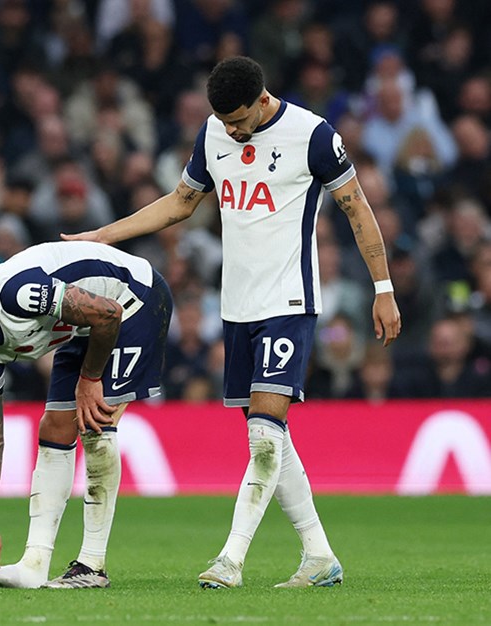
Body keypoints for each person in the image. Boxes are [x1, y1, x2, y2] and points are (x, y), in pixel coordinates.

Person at [64, 56, 401, 588]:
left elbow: (357, 208)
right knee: (271, 436)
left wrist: (383, 289)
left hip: (289, 301)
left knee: (264, 438)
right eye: (223, 121)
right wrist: (102, 236)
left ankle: (231, 559)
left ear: (263, 99)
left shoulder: (312, 134)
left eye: (239, 120)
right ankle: (319, 556)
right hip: (236, 306)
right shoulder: (213, 134)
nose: (232, 131)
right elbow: (180, 203)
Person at [0, 240, 172, 589]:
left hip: (133, 301)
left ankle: (91, 566)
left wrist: (90, 378)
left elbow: (109, 313)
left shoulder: (18, 294)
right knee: (54, 429)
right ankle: (34, 563)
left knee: (96, 426)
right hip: (84, 328)